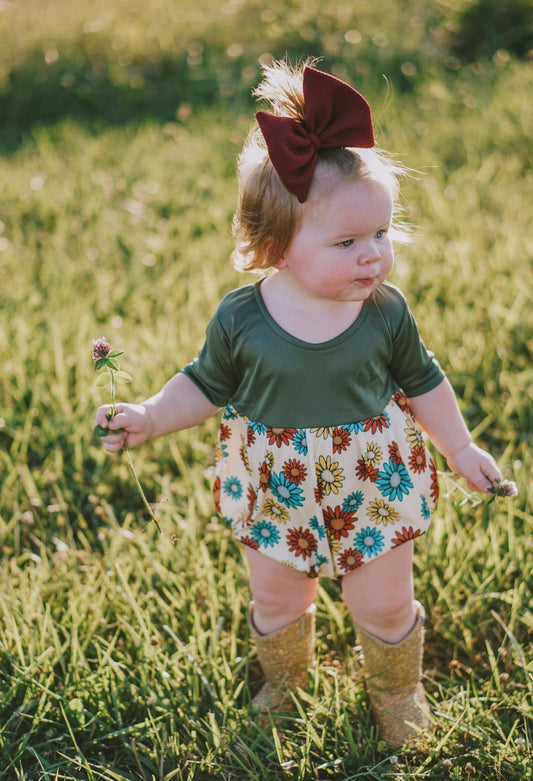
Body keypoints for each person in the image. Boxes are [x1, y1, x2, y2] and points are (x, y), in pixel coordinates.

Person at [94, 60, 504, 748]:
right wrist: (151, 415)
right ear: (274, 246)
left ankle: (396, 689)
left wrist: (458, 448)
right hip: (276, 484)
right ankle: (284, 679)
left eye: (381, 233)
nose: (372, 255)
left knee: (381, 598)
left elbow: (423, 380)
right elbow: (204, 381)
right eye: (346, 242)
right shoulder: (243, 319)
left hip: (370, 482)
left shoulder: (383, 312)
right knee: (278, 595)